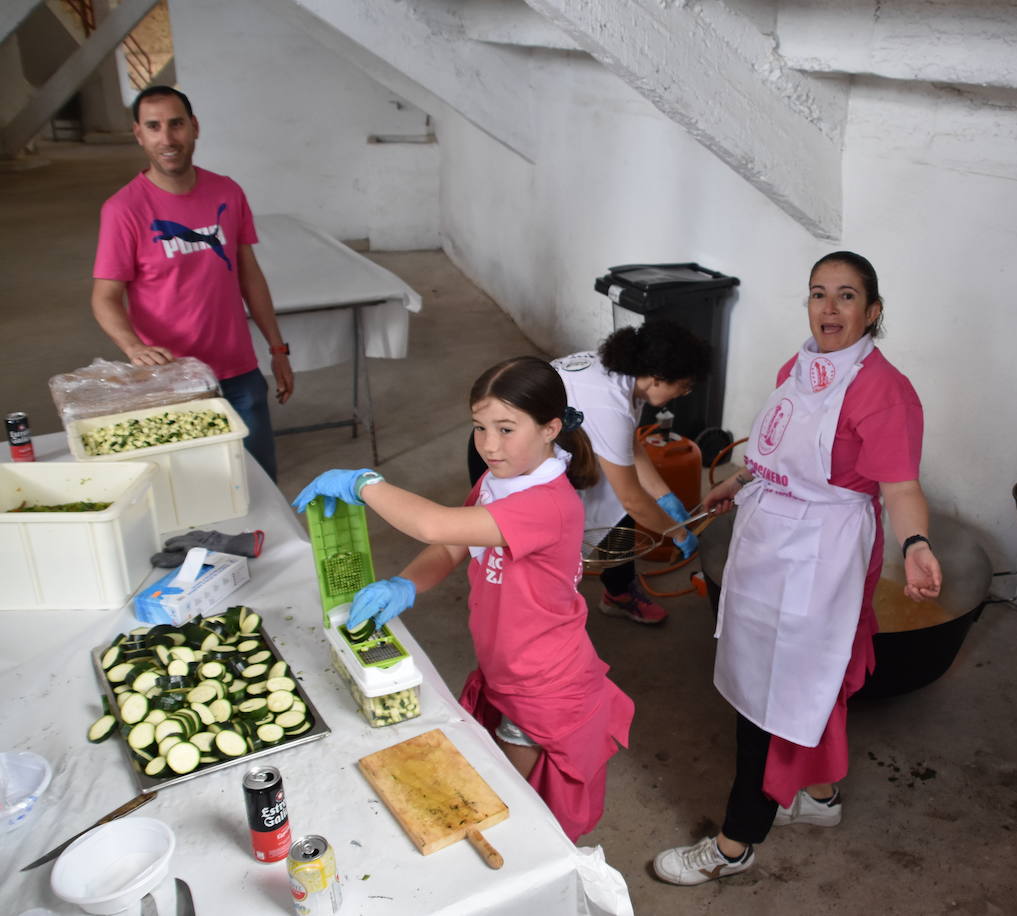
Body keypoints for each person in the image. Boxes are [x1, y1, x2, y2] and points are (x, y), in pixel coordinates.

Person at [653, 251, 942, 885]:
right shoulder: (800, 365)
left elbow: (899, 487)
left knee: (780, 687)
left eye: (846, 296)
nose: (829, 308)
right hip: (768, 537)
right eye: (818, 293)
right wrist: (737, 477)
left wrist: (916, 542)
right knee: (786, 675)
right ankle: (819, 796)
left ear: (873, 311)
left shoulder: (884, 391)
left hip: (822, 548)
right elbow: (775, 444)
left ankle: (734, 844)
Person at [292, 356, 634, 840]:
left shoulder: (547, 503)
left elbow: (433, 523)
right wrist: (406, 583)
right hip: (506, 665)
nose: (489, 445)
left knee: (515, 807)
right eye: (479, 428)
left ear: (549, 428)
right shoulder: (501, 480)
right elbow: (454, 541)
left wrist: (365, 484)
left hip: (540, 683)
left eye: (506, 428)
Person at [92, 85, 293, 481]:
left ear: (194, 127)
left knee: (261, 482)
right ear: (139, 134)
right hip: (173, 380)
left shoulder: (227, 191)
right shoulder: (123, 210)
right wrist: (133, 347)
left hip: (239, 372)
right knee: (195, 489)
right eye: (154, 127)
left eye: (176, 124)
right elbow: (105, 296)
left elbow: (249, 275)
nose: (167, 139)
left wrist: (277, 347)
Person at [553, 322, 712, 624]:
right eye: (685, 385)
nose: (685, 393)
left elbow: (629, 443)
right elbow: (633, 500)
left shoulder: (624, 376)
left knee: (619, 502)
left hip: (557, 444)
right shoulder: (609, 402)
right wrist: (676, 532)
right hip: (508, 456)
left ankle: (618, 593)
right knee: (551, 540)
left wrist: (664, 496)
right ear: (658, 378)